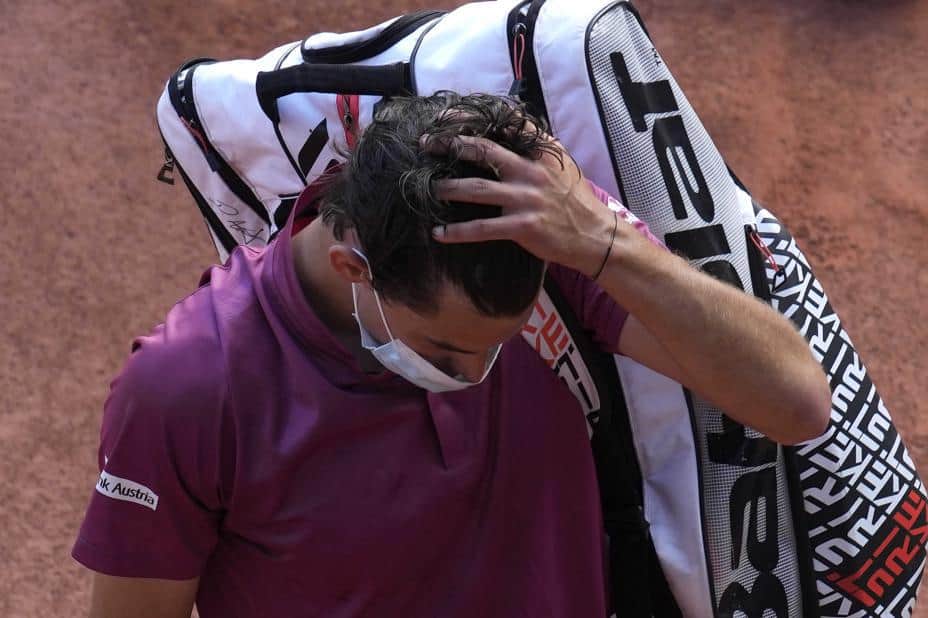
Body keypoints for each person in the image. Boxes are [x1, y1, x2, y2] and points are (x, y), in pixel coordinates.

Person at [73, 92, 831, 617]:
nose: (475, 378)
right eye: (446, 350)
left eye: (502, 344)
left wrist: (608, 245)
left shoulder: (537, 231)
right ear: (354, 269)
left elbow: (795, 404)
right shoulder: (188, 388)